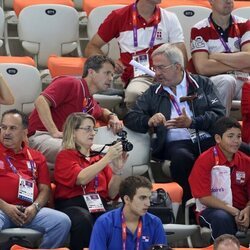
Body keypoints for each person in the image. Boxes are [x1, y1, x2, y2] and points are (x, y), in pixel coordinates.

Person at [124, 43, 225, 203]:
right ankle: (189, 204)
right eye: (154, 68)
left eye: (161, 68)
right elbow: (130, 117)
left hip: (207, 137)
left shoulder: (203, 84)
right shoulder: (153, 91)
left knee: (242, 149)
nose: (156, 73)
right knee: (181, 157)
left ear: (177, 67)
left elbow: (219, 114)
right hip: (176, 143)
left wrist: (192, 122)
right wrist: (148, 120)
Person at [28, 55, 124, 172]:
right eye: (107, 73)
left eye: (112, 74)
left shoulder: (90, 100)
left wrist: (112, 117)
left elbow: (102, 111)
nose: (111, 78)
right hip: (42, 136)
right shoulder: (71, 82)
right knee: (85, 151)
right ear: (91, 72)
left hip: (65, 142)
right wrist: (54, 131)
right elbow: (40, 101)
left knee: (113, 154)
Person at [85, 0, 188, 108]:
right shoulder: (118, 16)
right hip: (139, 77)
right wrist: (109, 63)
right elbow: (91, 47)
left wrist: (175, 76)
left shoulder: (170, 18)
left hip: (167, 75)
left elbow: (181, 57)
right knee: (134, 94)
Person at [54, 112, 128, 250]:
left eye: (94, 129)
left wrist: (118, 170)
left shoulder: (98, 159)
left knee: (117, 218)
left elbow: (112, 194)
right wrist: (107, 158)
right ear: (73, 132)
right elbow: (81, 178)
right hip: (72, 205)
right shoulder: (65, 156)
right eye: (87, 129)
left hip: (98, 204)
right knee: (83, 219)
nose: (93, 133)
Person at [0, 109, 71, 248]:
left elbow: (45, 189)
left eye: (13, 128)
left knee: (62, 221)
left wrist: (35, 207)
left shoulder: (36, 156)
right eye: (3, 127)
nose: (6, 132)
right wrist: (5, 207)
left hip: (28, 211)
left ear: (25, 132)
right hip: (1, 209)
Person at [189, 117, 250, 240]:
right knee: (222, 217)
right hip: (212, 210)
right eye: (230, 136)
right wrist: (233, 211)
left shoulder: (246, 161)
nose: (236, 141)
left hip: (242, 209)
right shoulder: (205, 160)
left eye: (238, 136)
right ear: (218, 138)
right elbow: (204, 197)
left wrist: (247, 211)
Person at [190, 0, 250, 116]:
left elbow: (249, 59)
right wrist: (239, 61)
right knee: (227, 81)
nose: (228, 1)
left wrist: (216, 56)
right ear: (211, 1)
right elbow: (202, 67)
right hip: (213, 81)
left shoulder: (245, 24)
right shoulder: (198, 29)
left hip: (242, 78)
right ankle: (220, 128)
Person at [89, 175, 166, 250]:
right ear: (127, 199)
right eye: (142, 198)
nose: (148, 204)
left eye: (149, 198)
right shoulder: (104, 222)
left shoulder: (155, 222)